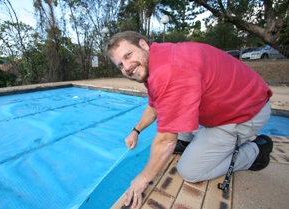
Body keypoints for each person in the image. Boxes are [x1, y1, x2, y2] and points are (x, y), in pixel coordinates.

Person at [106, 31, 273, 208]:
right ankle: (189, 143)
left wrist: (143, 179)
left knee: (189, 171)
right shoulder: (157, 58)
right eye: (120, 65)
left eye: (128, 55)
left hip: (244, 114)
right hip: (234, 103)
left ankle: (256, 151)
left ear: (143, 44)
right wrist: (136, 131)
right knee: (171, 111)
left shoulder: (167, 70)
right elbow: (155, 106)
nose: (127, 67)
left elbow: (166, 142)